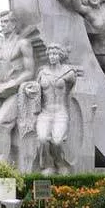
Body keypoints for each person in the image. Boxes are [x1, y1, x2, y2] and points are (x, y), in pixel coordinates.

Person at [0, 10, 35, 163]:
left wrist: (10, 85)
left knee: (0, 124)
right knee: (0, 128)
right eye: (1, 22)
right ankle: (8, 163)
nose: (3, 25)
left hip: (15, 92)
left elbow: (30, 72)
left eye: (6, 22)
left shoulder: (23, 43)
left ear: (14, 24)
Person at [35, 44, 77, 175]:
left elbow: (78, 88)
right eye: (50, 54)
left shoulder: (68, 72)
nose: (52, 57)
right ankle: (48, 165)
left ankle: (60, 163)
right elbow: (36, 91)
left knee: (57, 141)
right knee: (42, 139)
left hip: (60, 112)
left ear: (60, 55)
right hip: (45, 112)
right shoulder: (42, 72)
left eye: (55, 54)